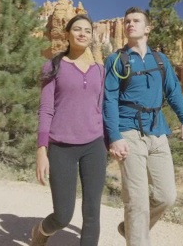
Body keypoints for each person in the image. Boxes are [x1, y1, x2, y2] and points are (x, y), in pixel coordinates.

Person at [103, 7, 183, 246]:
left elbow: (173, 92)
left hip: (157, 131)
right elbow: (109, 99)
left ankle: (130, 229)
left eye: (136, 21)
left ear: (147, 28)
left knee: (166, 197)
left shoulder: (160, 60)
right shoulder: (115, 60)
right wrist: (114, 136)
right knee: (137, 200)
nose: (130, 24)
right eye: (127, 21)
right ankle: (137, 238)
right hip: (128, 131)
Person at [31, 14, 106, 246]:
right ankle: (42, 232)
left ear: (92, 36)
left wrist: (112, 141)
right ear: (67, 34)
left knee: (92, 212)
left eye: (87, 30)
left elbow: (105, 108)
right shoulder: (53, 66)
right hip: (61, 146)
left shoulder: (101, 71)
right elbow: (45, 109)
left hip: (94, 145)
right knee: (63, 216)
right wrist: (41, 150)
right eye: (77, 29)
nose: (82, 33)